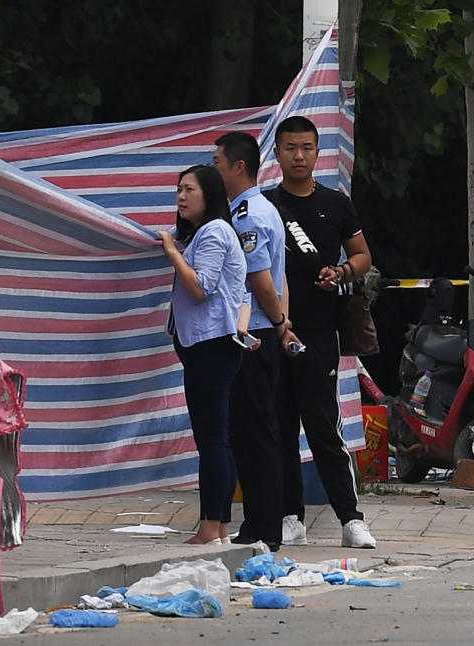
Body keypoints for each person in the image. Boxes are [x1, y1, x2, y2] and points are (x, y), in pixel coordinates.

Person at [263, 116, 377, 549]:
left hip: (320, 331)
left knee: (324, 427)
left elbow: (363, 254)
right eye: (290, 147)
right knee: (279, 426)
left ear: (317, 153)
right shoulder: (265, 206)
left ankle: (351, 519)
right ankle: (290, 516)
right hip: (274, 330)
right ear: (276, 153)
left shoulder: (337, 203)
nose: (298, 155)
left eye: (306, 147)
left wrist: (343, 272)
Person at [212, 132, 300, 552]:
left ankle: (265, 527)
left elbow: (261, 280)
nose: (214, 170)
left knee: (256, 431)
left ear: (237, 166)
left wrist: (281, 323)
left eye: (217, 163)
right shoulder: (259, 208)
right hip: (262, 328)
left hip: (256, 332)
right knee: (252, 428)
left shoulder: (246, 214)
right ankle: (262, 523)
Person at [159, 165, 247, 545]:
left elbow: (201, 287)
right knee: (218, 439)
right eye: (178, 189)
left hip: (210, 348)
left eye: (188, 190)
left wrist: (170, 252)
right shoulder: (205, 234)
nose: (180, 196)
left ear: (208, 194)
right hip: (210, 347)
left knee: (211, 441)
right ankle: (221, 525)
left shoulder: (214, 232)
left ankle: (210, 527)